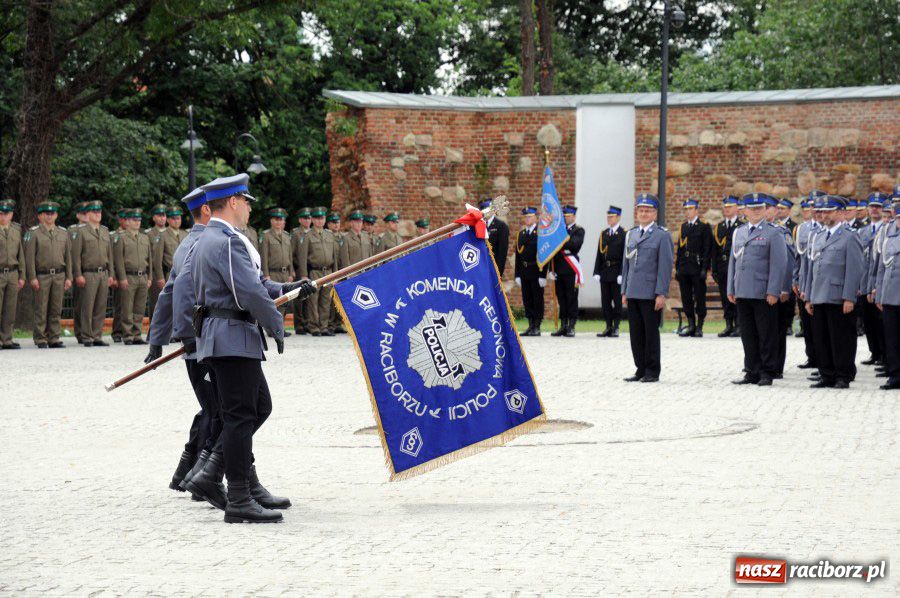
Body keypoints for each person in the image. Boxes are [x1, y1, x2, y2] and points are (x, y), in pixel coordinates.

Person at [190, 173, 310, 523]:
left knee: (256, 407)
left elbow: (257, 284)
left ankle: (219, 476)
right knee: (242, 416)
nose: (248, 208)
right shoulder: (226, 241)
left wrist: (289, 287)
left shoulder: (217, 238)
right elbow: (249, 294)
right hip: (231, 337)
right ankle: (239, 495)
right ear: (232, 202)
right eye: (245, 201)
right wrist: (276, 325)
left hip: (228, 336)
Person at [728, 193, 788, 386]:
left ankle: (767, 371)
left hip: (763, 292)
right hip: (743, 290)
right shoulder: (739, 232)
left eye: (759, 208)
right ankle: (751, 370)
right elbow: (733, 262)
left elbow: (779, 264)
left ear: (764, 210)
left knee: (766, 333)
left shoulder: (774, 232)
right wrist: (731, 287)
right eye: (751, 209)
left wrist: (773, 291)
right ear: (744, 211)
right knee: (748, 334)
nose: (755, 212)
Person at [805, 196, 865, 389]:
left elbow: (855, 269)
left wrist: (849, 297)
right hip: (819, 294)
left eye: (828, 211)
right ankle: (827, 374)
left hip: (839, 296)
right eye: (821, 211)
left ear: (840, 212)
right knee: (821, 338)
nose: (824, 215)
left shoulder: (850, 236)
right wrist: (809, 296)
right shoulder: (819, 236)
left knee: (841, 338)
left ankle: (843, 374)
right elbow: (812, 268)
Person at [621, 194, 674, 383]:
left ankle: (652, 370)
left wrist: (661, 293)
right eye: (641, 210)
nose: (644, 213)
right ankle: (640, 368)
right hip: (633, 291)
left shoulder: (662, 235)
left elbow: (665, 267)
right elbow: (626, 265)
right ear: (637, 212)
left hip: (650, 292)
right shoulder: (632, 234)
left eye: (648, 210)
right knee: (635, 333)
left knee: (650, 332)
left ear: (655, 213)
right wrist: (624, 291)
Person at [24, 201, 72, 348]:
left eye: (52, 214)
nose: (49, 216)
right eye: (46, 214)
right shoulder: (34, 233)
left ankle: (54, 337)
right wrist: (32, 277)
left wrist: (69, 277)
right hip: (42, 275)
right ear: (40, 216)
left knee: (56, 308)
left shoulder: (63, 233)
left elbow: (68, 257)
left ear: (56, 215)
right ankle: (40, 338)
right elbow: (29, 258)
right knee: (41, 308)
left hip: (59, 274)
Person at [70, 200, 113, 347]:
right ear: (87, 214)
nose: (97, 214)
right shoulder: (81, 231)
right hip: (88, 272)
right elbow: (76, 256)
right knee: (87, 306)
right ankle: (86, 335)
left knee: (100, 306)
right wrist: (78, 274)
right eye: (94, 212)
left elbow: (110, 255)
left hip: (103, 272)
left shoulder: (105, 231)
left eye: (99, 212)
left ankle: (97, 335)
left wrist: (111, 274)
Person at [763, 195, 796, 377]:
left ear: (776, 211)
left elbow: (788, 263)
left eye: (769, 208)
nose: (766, 211)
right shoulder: (756, 231)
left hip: (778, 290)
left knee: (777, 329)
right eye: (763, 207)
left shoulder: (782, 231)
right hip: (762, 289)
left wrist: (784, 288)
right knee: (764, 329)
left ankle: (776, 367)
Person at [297, 206, 340, 336]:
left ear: (325, 219)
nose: (319, 221)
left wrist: (336, 273)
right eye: (316, 218)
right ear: (313, 220)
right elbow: (303, 257)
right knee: (313, 300)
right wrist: (304, 275)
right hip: (315, 271)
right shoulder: (308, 236)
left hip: (328, 271)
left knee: (326, 300)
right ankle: (314, 326)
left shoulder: (329, 235)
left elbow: (335, 256)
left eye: (321, 218)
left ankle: (324, 326)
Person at [113, 208, 152, 345]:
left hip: (142, 276)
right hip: (129, 276)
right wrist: (122, 277)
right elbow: (118, 260)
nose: (137, 222)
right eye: (134, 220)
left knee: (139, 308)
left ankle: (136, 334)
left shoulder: (144, 238)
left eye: (139, 220)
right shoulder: (122, 238)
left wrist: (150, 277)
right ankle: (127, 335)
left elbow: (150, 260)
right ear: (127, 221)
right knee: (127, 307)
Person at [674, 199, 712, 337]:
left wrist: (705, 268)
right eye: (686, 209)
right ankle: (691, 324)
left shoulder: (704, 226)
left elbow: (707, 249)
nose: (687, 212)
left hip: (697, 266)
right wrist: (677, 267)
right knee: (686, 297)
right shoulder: (683, 227)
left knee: (700, 296)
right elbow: (680, 248)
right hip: (685, 266)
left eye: (690, 209)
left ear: (696, 210)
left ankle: (699, 326)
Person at [874, 194, 900, 389]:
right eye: (897, 218)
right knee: (892, 339)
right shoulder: (889, 239)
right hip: (891, 296)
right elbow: (882, 268)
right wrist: (880, 294)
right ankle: (895, 375)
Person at [859, 193, 887, 368]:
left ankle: (885, 354)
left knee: (881, 321)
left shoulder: (886, 229)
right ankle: (874, 352)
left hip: (879, 281)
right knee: (868, 320)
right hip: (864, 280)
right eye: (872, 206)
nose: (875, 209)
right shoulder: (863, 231)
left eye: (878, 207)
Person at [548, 205, 585, 337]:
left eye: (568, 216)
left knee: (571, 297)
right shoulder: (559, 231)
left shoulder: (579, 230)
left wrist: (560, 239)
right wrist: (549, 270)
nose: (566, 218)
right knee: (561, 298)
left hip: (570, 269)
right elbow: (552, 250)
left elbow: (574, 245)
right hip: (558, 267)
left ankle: (571, 325)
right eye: (564, 216)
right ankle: (563, 325)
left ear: (574, 216)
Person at [261, 207, 295, 335]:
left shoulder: (287, 236)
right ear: (271, 221)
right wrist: (266, 274)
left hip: (285, 273)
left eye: (281, 220)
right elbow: (263, 256)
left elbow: (289, 255)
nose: (279, 222)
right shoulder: (266, 236)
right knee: (274, 302)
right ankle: (273, 329)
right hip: (273, 273)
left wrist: (291, 272)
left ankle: (279, 328)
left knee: (284, 301)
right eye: (276, 220)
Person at [593, 205, 626, 337]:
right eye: (608, 216)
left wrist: (622, 273)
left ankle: (616, 327)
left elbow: (625, 255)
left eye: (612, 216)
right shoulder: (604, 233)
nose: (609, 219)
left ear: (618, 217)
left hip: (617, 270)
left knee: (617, 301)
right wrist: (596, 271)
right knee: (605, 301)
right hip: (605, 271)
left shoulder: (624, 233)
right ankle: (608, 326)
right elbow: (599, 254)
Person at [151, 206, 188, 320]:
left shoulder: (185, 234)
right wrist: (160, 278)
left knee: (183, 304)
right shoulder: (163, 235)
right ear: (168, 220)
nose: (177, 221)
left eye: (178, 218)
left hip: (185, 274)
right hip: (169, 274)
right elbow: (157, 260)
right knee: (168, 305)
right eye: (174, 218)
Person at [514, 207, 546, 336]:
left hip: (536, 270)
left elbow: (544, 255)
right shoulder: (521, 234)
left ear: (536, 218)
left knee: (537, 299)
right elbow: (518, 256)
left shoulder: (541, 234)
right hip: (524, 271)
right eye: (525, 217)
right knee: (527, 299)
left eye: (530, 216)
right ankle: (530, 325)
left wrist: (543, 274)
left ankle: (537, 325)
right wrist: (517, 274)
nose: (527, 219)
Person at [711, 196, 741, 337]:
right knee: (725, 296)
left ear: (737, 208)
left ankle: (739, 324)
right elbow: (715, 250)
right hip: (723, 267)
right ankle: (728, 324)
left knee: (737, 295)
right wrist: (714, 269)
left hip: (737, 267)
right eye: (725, 207)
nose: (727, 209)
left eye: (730, 206)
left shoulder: (741, 225)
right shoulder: (719, 227)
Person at [0, 199, 25, 349]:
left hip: (13, 273)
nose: (3, 217)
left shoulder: (16, 230)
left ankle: (7, 339)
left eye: (6, 214)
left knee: (10, 308)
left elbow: (20, 254)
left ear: (11, 215)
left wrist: (22, 276)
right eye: (1, 214)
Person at [290, 208, 312, 335]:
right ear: (300, 220)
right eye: (305, 218)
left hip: (311, 268)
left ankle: (308, 323)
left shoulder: (312, 232)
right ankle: (299, 324)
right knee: (299, 297)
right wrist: (293, 269)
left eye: (309, 218)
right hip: (299, 269)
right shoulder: (296, 234)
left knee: (310, 297)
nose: (307, 220)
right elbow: (291, 254)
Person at [71, 202, 90, 343]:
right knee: (80, 304)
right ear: (78, 215)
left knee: (89, 305)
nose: (86, 216)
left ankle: (87, 332)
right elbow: (72, 254)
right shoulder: (73, 230)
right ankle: (79, 332)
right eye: (83, 213)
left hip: (92, 273)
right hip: (81, 271)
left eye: (87, 213)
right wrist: (76, 273)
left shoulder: (93, 230)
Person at [145, 203, 168, 323]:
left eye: (164, 215)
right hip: (155, 273)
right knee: (155, 302)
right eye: (159, 215)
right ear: (154, 218)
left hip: (168, 272)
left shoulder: (170, 232)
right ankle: (153, 329)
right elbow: (149, 256)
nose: (162, 218)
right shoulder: (149, 234)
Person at [326, 212, 347, 334]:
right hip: (331, 270)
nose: (336, 225)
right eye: (333, 222)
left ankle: (338, 322)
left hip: (342, 270)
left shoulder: (342, 237)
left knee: (340, 299)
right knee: (329, 300)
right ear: (328, 224)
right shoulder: (327, 236)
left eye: (337, 222)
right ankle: (330, 323)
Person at [110, 208, 128, 342]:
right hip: (119, 275)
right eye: (125, 219)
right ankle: (117, 331)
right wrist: (115, 277)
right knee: (119, 305)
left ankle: (128, 330)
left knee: (129, 306)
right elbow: (114, 259)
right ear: (121, 220)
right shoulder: (114, 236)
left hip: (132, 275)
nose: (128, 222)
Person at [481, 198, 509, 276]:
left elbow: (502, 252)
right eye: (484, 210)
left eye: (489, 210)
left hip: (493, 267)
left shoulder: (501, 226)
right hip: (481, 266)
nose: (487, 213)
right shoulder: (480, 225)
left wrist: (498, 272)